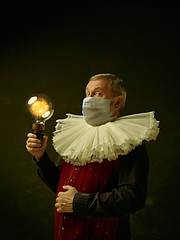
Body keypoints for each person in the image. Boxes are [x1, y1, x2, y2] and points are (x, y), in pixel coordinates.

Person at [26, 73, 159, 240]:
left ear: (117, 102)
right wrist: (41, 157)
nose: (89, 99)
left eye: (97, 93)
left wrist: (80, 202)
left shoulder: (130, 140)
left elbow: (133, 197)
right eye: (87, 93)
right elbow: (60, 186)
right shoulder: (73, 135)